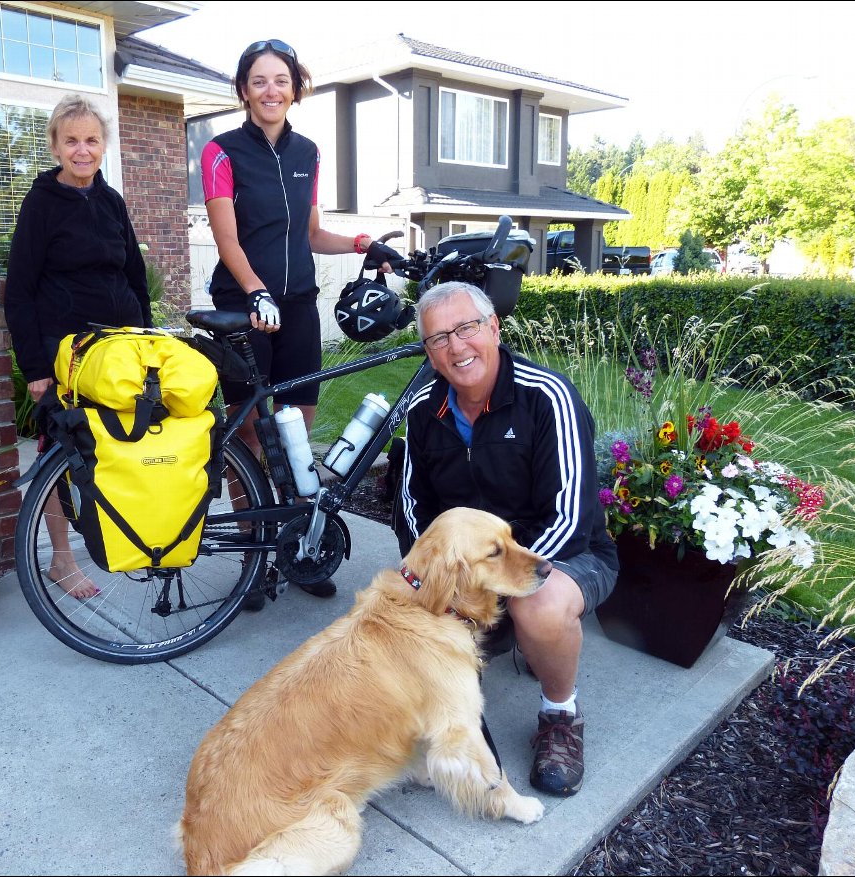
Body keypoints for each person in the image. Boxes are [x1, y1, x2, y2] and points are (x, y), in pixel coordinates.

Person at [394, 280, 619, 798]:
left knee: (537, 606)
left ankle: (560, 713)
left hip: (566, 554)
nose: (456, 347)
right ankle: (450, 702)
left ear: (494, 328)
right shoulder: (423, 413)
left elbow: (570, 517)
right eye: (438, 339)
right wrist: (434, 582)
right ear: (428, 353)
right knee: (399, 609)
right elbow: (413, 513)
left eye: (467, 328)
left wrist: (491, 587)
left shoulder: (547, 397)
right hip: (474, 567)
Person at [201, 38, 401, 610]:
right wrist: (256, 290)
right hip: (243, 306)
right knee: (250, 436)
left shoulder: (308, 152)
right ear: (244, 90)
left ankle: (299, 545)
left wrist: (364, 242)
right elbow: (227, 239)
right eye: (259, 81)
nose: (271, 90)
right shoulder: (221, 152)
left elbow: (313, 234)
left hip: (297, 306)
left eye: (281, 81)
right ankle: (250, 554)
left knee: (295, 431)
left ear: (295, 88)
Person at [5, 93, 151, 600]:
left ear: (103, 145)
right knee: (59, 453)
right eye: (71, 141)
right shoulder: (42, 203)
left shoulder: (111, 202)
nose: (82, 150)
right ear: (55, 146)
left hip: (118, 345)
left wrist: (146, 342)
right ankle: (62, 562)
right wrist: (35, 366)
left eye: (91, 140)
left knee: (115, 442)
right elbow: (19, 289)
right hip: (64, 349)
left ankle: (122, 536)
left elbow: (134, 274)